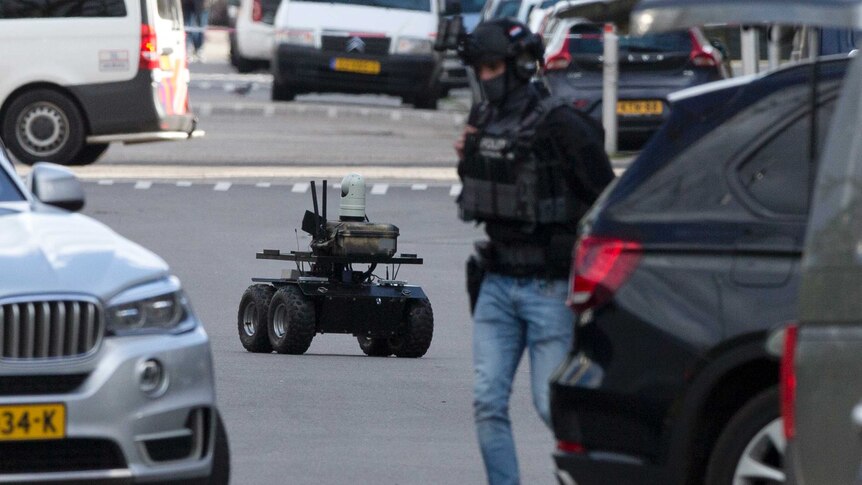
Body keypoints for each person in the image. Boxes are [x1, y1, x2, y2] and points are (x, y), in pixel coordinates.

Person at [453, 18, 615, 485]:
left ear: (519, 66)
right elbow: (482, 193)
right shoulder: (483, 121)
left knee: (552, 406)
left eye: (489, 67)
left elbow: (606, 199)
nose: (482, 78)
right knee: (487, 401)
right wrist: (466, 158)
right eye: (477, 68)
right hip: (497, 283)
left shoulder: (563, 123)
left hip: (548, 286)